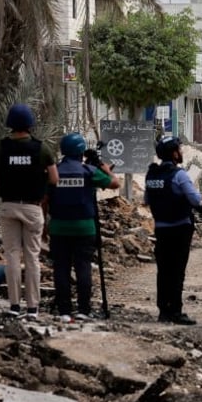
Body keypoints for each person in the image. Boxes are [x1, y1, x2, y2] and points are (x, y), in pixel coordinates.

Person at [0, 103, 58, 319]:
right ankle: (33, 307)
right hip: (32, 208)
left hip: (9, 206)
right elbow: (54, 179)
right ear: (30, 125)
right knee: (32, 256)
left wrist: (5, 176)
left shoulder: (1, 148)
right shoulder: (41, 148)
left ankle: (14, 305)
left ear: (10, 125)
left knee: (12, 255)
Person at [49, 132, 120, 323]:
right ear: (81, 150)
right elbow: (115, 183)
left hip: (59, 227)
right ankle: (83, 309)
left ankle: (64, 310)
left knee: (61, 268)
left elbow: (45, 199)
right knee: (83, 268)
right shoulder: (88, 171)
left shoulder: (54, 170)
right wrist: (105, 168)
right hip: (84, 227)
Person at [145, 135, 202, 325]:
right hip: (180, 228)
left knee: (163, 270)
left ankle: (163, 312)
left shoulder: (151, 175)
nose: (181, 153)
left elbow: (147, 200)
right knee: (177, 271)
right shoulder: (179, 175)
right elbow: (195, 200)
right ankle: (175, 311)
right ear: (173, 153)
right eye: (179, 150)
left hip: (160, 228)